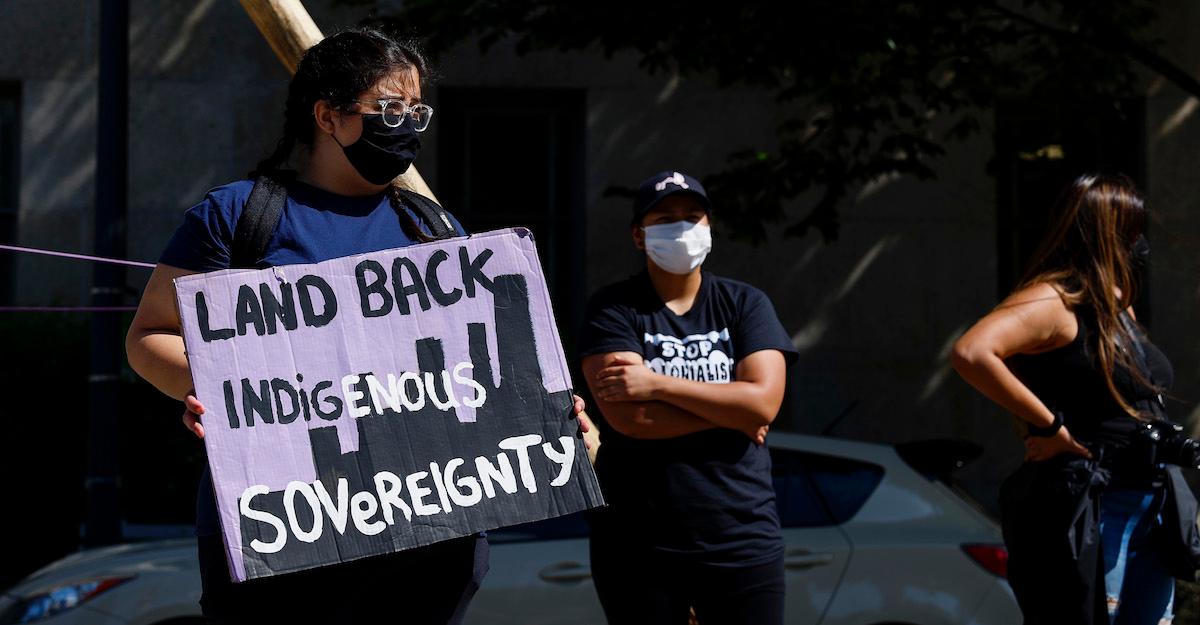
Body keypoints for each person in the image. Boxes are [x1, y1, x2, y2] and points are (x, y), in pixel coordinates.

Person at [126, 28, 590, 624]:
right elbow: (147, 340)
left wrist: (537, 408)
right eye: (389, 108)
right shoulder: (240, 216)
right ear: (328, 115)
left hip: (428, 542)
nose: (409, 125)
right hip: (283, 537)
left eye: (416, 109)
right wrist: (219, 388)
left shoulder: (436, 230)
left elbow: (480, 361)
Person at [952, 174, 1200, 625]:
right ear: (1106, 233)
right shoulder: (1053, 300)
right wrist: (1048, 426)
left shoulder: (1116, 301)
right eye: (1131, 231)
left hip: (1151, 504)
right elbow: (971, 352)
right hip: (1094, 507)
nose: (1139, 244)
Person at [577, 170, 797, 625]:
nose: (681, 227)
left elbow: (764, 404)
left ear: (709, 228)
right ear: (639, 236)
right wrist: (732, 412)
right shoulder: (612, 309)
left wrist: (659, 385)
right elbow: (630, 419)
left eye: (692, 216)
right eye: (666, 218)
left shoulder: (745, 304)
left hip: (742, 536)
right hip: (638, 543)